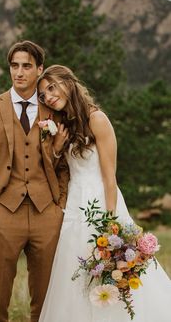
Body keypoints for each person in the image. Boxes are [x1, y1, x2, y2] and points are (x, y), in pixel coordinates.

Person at [37, 64, 171, 322]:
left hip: (101, 204)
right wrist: (56, 147)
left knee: (110, 272)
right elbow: (57, 171)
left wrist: (111, 226)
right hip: (75, 209)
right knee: (73, 273)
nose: (49, 97)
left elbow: (110, 178)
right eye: (43, 95)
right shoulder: (64, 125)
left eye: (52, 87)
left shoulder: (97, 119)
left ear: (69, 82)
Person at [0, 41, 69, 322]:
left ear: (39, 70)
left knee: (46, 305)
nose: (19, 72)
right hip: (2, 215)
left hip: (46, 213)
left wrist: (60, 206)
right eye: (14, 66)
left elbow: (64, 164)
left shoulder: (54, 112)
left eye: (26, 66)